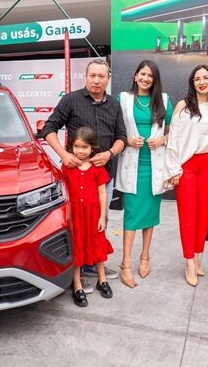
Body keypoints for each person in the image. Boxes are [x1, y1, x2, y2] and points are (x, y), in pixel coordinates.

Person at [43, 59, 127, 284]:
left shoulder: (114, 105)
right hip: (75, 178)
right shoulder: (71, 100)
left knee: (98, 222)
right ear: (86, 77)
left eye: (101, 76)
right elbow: (48, 128)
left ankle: (93, 263)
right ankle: (76, 268)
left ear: (108, 79)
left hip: (102, 177)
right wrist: (63, 154)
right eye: (93, 76)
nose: (97, 80)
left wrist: (109, 153)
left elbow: (122, 137)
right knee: (76, 224)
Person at [164, 64, 208, 287]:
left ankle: (198, 256)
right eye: (197, 78)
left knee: (204, 214)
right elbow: (173, 138)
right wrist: (173, 169)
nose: (202, 82)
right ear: (192, 83)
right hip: (187, 164)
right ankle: (189, 261)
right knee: (187, 215)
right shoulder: (184, 106)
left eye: (205, 77)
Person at [115, 60, 173, 288]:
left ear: (154, 79)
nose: (146, 78)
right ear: (135, 75)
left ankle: (145, 256)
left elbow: (175, 131)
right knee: (131, 215)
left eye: (150, 75)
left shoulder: (164, 100)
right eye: (142, 74)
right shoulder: (123, 99)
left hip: (154, 166)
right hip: (132, 165)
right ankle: (126, 263)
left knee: (149, 215)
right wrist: (128, 140)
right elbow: (115, 127)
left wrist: (163, 139)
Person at [60, 127, 114, 307]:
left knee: (97, 245)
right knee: (77, 247)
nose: (80, 151)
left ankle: (102, 280)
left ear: (92, 148)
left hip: (93, 216)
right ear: (71, 147)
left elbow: (102, 194)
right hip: (75, 215)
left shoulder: (97, 168)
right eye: (77, 146)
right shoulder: (67, 167)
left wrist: (102, 217)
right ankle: (76, 285)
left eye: (85, 147)